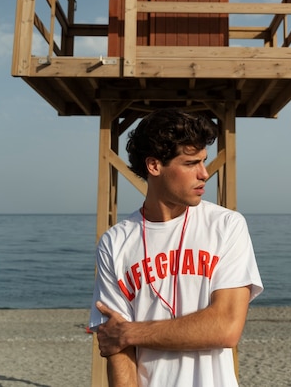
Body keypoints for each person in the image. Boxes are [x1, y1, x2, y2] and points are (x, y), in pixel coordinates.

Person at [89, 107, 263, 387]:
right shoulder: (115, 242)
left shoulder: (226, 225)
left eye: (204, 161)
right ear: (155, 166)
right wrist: (124, 337)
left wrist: (131, 333)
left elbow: (226, 327)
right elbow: (117, 349)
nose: (204, 174)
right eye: (191, 163)